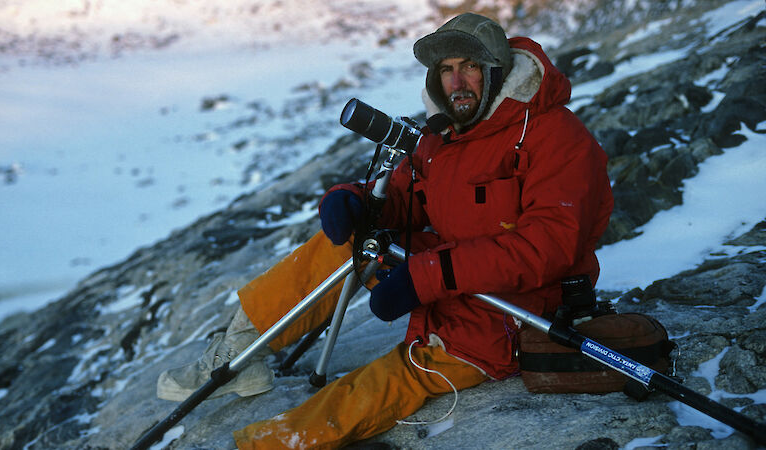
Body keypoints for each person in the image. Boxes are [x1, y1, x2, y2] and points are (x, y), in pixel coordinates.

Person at [156, 12, 614, 449]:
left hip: (512, 310)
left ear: (496, 72)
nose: (456, 82)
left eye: (470, 67)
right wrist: (354, 198)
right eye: (446, 69)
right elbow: (405, 196)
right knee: (346, 244)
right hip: (448, 274)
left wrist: (428, 276)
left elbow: (546, 246)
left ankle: (262, 443)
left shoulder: (555, 138)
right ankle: (239, 350)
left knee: (395, 378)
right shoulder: (447, 135)